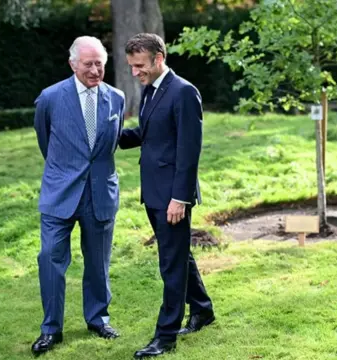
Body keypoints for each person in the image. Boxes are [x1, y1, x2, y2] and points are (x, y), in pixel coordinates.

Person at [119, 33, 215, 358]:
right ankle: (202, 309)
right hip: (153, 192)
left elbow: (189, 150)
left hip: (173, 197)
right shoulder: (150, 90)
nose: (135, 72)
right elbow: (149, 135)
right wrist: (112, 137)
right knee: (178, 255)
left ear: (159, 58)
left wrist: (181, 198)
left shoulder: (184, 92)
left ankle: (166, 336)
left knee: (170, 264)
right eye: (132, 66)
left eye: (140, 65)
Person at [31, 36, 124, 356]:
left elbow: (108, 145)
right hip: (60, 193)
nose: (95, 69)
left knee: (98, 262)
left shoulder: (117, 98)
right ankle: (50, 329)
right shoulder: (50, 98)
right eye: (89, 64)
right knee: (49, 259)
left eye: (100, 63)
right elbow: (45, 140)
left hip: (100, 193)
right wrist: (64, 171)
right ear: (73, 65)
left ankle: (98, 318)